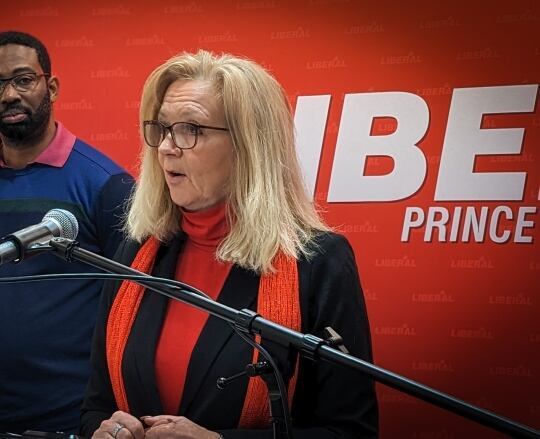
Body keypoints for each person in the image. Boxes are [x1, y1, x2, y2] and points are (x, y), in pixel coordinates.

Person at [80, 50, 378, 438]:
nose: (167, 147)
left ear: (248, 146)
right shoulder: (135, 255)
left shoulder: (319, 261)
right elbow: (95, 406)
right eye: (163, 128)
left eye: (191, 129)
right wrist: (102, 431)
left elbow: (351, 431)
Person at [0, 31, 133, 434]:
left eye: (23, 79)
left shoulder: (105, 183)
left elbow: (128, 302)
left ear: (52, 86)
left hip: (69, 415)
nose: (9, 94)